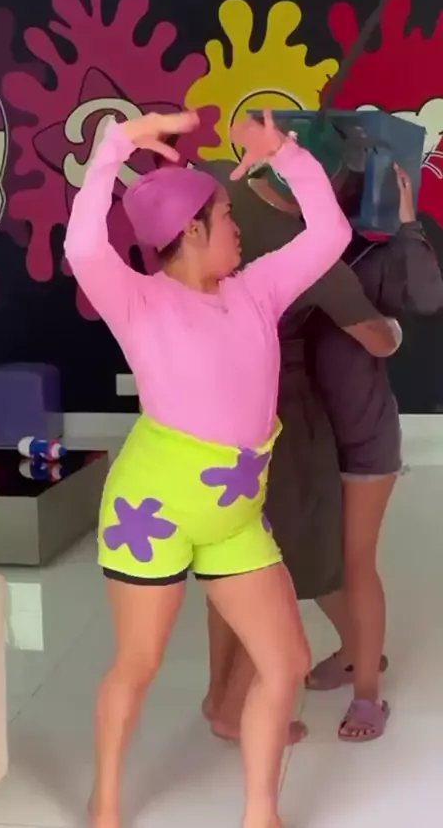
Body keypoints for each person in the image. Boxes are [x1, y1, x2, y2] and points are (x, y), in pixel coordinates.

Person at [64, 108, 352, 828]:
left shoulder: (256, 291)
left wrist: (286, 153)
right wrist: (114, 147)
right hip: (151, 510)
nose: (238, 229)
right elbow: (82, 244)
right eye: (226, 216)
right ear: (191, 231)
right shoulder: (138, 299)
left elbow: (331, 235)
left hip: (233, 513)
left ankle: (261, 812)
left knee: (285, 661)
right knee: (138, 664)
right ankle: (105, 802)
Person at [202, 162, 443, 745]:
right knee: (296, 562)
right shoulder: (294, 252)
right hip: (308, 435)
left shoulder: (365, 257)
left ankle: (368, 695)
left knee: (352, 563)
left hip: (360, 438)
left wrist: (408, 226)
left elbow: (424, 299)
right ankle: (352, 655)